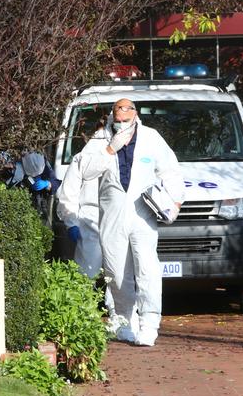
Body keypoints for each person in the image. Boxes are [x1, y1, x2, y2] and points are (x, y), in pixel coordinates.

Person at [76, 99, 184, 346]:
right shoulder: (101, 139)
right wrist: (110, 150)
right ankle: (124, 321)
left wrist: (175, 202)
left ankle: (149, 323)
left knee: (147, 268)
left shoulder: (151, 137)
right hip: (112, 213)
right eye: (117, 114)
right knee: (115, 271)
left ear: (135, 114)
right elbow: (85, 171)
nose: (122, 118)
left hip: (142, 212)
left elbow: (170, 171)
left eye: (127, 113)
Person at [56, 121, 122, 332]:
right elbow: (69, 191)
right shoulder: (84, 159)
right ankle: (83, 315)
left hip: (116, 217)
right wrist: (71, 221)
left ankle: (119, 317)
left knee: (117, 271)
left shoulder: (123, 160)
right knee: (87, 273)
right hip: (89, 218)